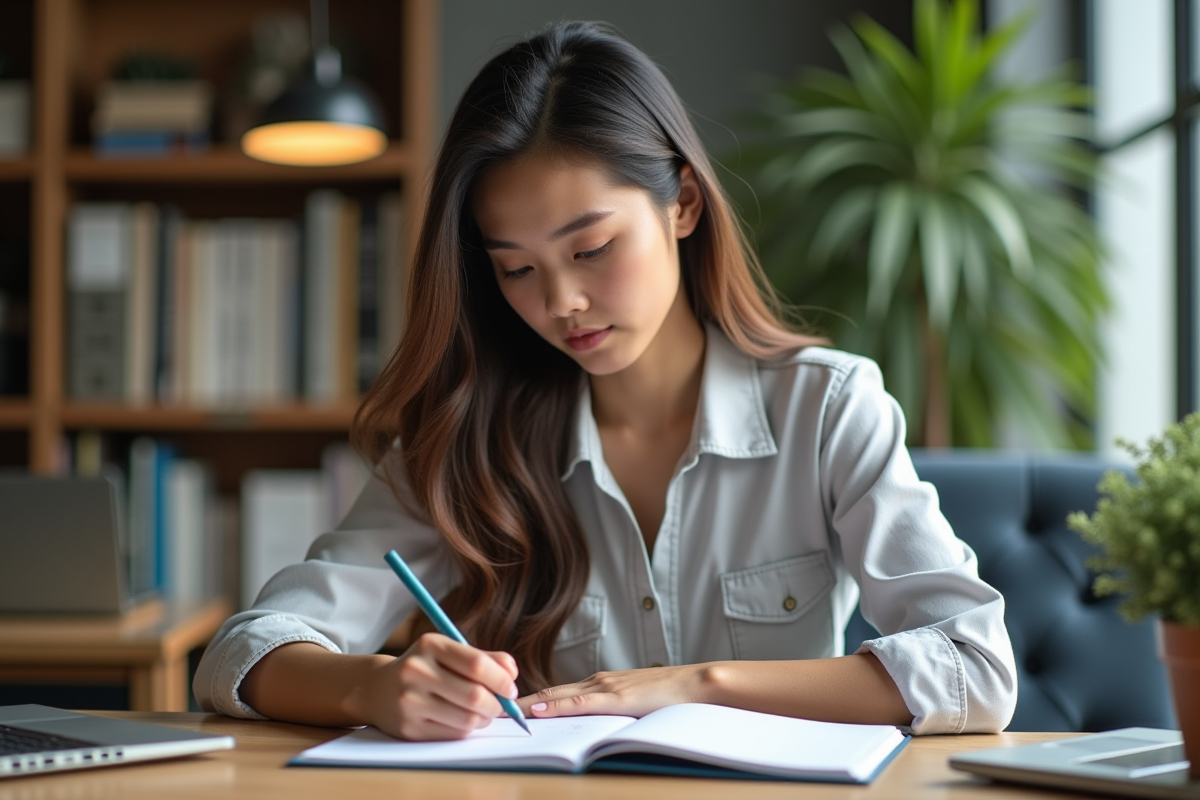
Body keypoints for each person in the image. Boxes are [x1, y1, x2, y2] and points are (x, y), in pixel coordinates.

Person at [194, 20, 1016, 741]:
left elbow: (974, 668)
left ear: (683, 203)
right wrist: (373, 684)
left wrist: (691, 687)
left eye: (590, 249)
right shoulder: (474, 435)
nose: (561, 303)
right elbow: (244, 650)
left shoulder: (829, 408)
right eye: (516, 270)